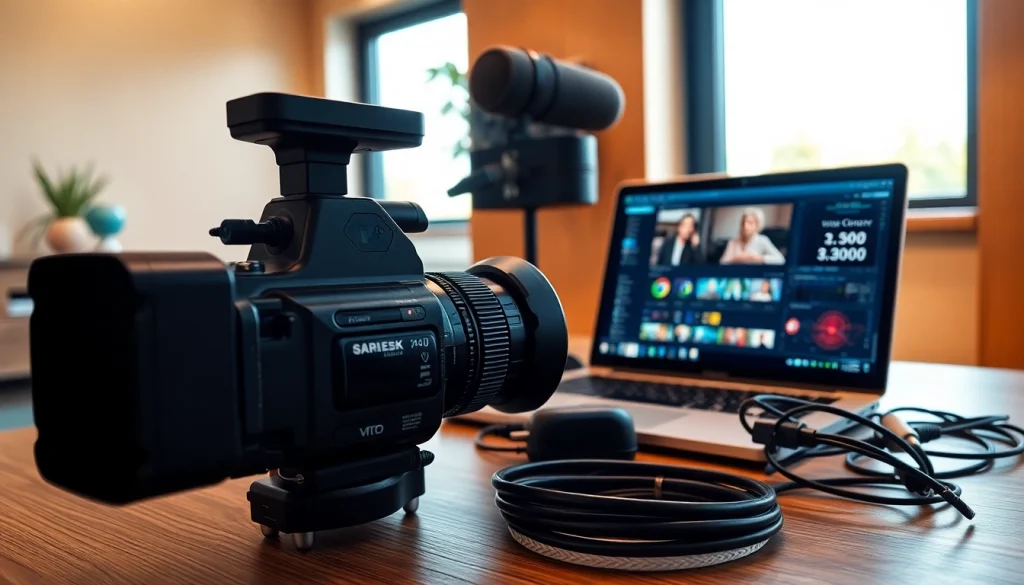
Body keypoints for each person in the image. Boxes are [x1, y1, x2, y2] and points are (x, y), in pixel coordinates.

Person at [719, 207, 785, 265]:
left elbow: (781, 260)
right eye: (743, 223)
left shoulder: (762, 240)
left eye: (750, 223)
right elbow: (722, 263)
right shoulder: (733, 242)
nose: (745, 226)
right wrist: (737, 259)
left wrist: (756, 258)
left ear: (757, 225)